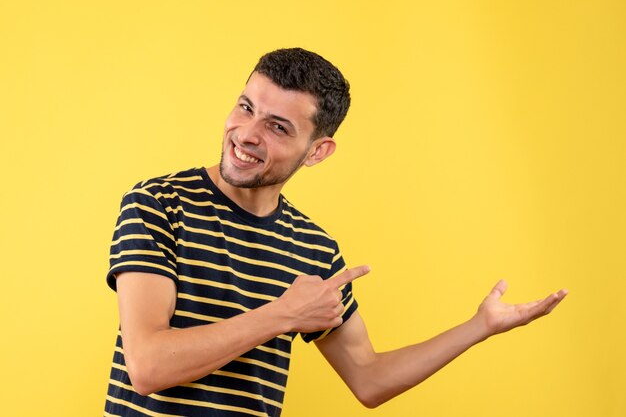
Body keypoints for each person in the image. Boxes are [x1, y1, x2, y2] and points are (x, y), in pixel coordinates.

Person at [103, 48, 568, 417]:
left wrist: (478, 327)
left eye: (277, 127)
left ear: (317, 151)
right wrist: (282, 315)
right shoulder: (157, 204)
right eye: (245, 107)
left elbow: (369, 379)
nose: (246, 133)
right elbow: (147, 366)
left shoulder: (313, 249)